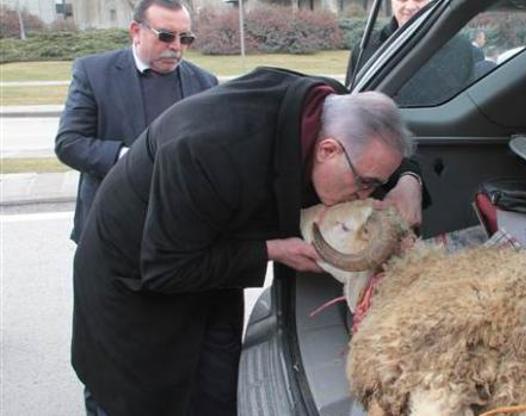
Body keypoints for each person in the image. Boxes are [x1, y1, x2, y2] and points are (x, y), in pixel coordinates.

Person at [72, 67, 427, 416]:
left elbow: (384, 155)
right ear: (328, 150)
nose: (365, 193)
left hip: (211, 262)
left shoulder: (330, 106)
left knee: (218, 392)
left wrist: (409, 181)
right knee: (149, 398)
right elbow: (166, 267)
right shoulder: (206, 150)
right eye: (364, 183)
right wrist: (272, 250)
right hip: (136, 284)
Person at [55, 0, 217, 243]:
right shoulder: (93, 72)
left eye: (185, 38)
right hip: (110, 229)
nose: (175, 46)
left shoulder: (205, 83)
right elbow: (69, 143)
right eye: (165, 36)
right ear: (136, 31)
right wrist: (132, 158)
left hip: (179, 233)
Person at [345, 0, 430, 85]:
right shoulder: (363, 50)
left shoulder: (441, 44)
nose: (410, 6)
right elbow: (351, 97)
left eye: (419, 0)